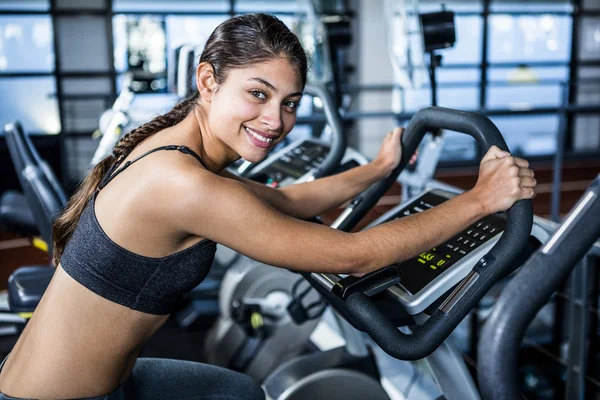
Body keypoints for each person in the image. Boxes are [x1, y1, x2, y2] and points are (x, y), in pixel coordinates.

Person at [0, 13, 536, 400]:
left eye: (290, 103)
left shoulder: (174, 148)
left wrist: (377, 169)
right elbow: (352, 256)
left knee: (237, 393)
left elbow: (283, 200)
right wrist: (481, 200)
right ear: (209, 81)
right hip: (53, 398)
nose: (276, 121)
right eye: (258, 94)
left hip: (77, 381)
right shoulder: (183, 185)